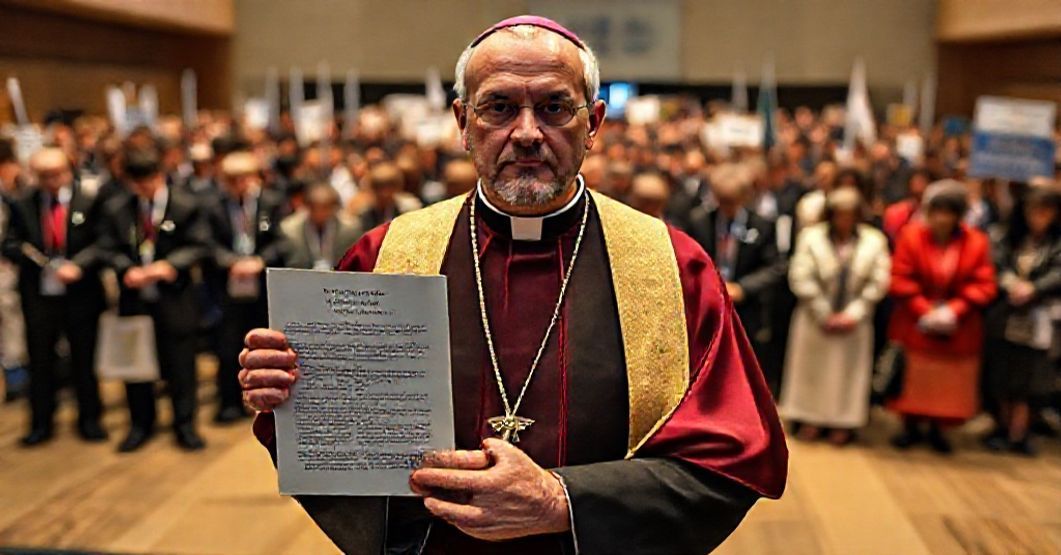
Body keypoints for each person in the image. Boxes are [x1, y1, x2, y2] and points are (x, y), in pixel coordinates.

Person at [239, 16, 786, 554]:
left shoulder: (675, 265)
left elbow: (733, 454)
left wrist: (561, 501)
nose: (526, 133)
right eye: (499, 107)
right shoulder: (386, 254)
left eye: (554, 107)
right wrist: (286, 390)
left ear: (593, 123)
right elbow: (331, 433)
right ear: (462, 121)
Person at [98, 148, 210, 452]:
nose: (144, 188)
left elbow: (200, 244)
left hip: (174, 297)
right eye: (138, 183)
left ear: (160, 176)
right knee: (136, 367)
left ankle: (185, 425)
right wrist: (126, 269)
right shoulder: (118, 208)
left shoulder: (185, 205)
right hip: (135, 298)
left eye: (149, 180)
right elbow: (107, 247)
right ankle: (140, 425)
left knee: (181, 366)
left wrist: (170, 265)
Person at [1, 147, 108, 445]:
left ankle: (90, 419)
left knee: (83, 360)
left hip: (80, 292)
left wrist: (79, 266)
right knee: (40, 360)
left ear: (68, 170)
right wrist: (35, 260)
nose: (52, 181)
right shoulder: (23, 203)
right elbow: (9, 243)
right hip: (40, 293)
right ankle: (41, 423)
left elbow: (104, 240)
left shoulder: (88, 199)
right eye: (44, 176)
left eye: (57, 174)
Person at [887, 180, 997, 454]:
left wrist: (954, 310)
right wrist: (925, 309)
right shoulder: (911, 236)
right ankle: (909, 426)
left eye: (949, 212)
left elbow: (984, 283)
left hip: (957, 325)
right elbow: (899, 277)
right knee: (914, 379)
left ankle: (938, 429)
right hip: (916, 322)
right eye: (937, 211)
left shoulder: (977, 242)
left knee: (946, 385)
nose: (941, 219)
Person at [779, 188, 891, 445]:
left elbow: (879, 281)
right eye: (840, 215)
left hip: (855, 319)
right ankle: (810, 419)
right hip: (815, 316)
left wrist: (854, 313)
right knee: (811, 372)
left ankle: (843, 422)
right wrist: (822, 311)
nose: (845, 221)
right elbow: (799, 275)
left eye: (850, 215)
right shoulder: (811, 237)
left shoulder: (874, 241)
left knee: (847, 374)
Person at [204, 151, 288, 423]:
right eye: (233, 179)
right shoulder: (213, 204)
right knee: (228, 347)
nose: (240, 184)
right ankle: (229, 402)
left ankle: (267, 402)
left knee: (264, 345)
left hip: (262, 285)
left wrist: (260, 261)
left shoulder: (272, 202)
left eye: (245, 178)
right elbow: (206, 242)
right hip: (228, 286)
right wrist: (230, 262)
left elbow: (283, 241)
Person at [983, 186, 1061, 456]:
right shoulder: (1005, 235)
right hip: (1006, 314)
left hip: (1043, 318)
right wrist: (1011, 283)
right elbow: (996, 264)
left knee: (1033, 380)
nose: (1039, 216)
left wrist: (1035, 289)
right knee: (1003, 375)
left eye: (1046, 210)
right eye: (1034, 209)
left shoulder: (1057, 242)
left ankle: (1021, 432)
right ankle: (1002, 429)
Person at [685, 163, 784, 368]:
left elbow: (776, 267)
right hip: (706, 306)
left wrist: (742, 288)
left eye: (732, 202)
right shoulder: (699, 220)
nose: (727, 207)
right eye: (722, 201)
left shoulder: (762, 224)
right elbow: (688, 262)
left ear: (744, 197)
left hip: (746, 309)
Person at [279, 183, 362, 270]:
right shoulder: (289, 229)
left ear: (334, 208)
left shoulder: (350, 229)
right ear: (308, 207)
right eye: (315, 208)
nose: (320, 213)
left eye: (325, 208)